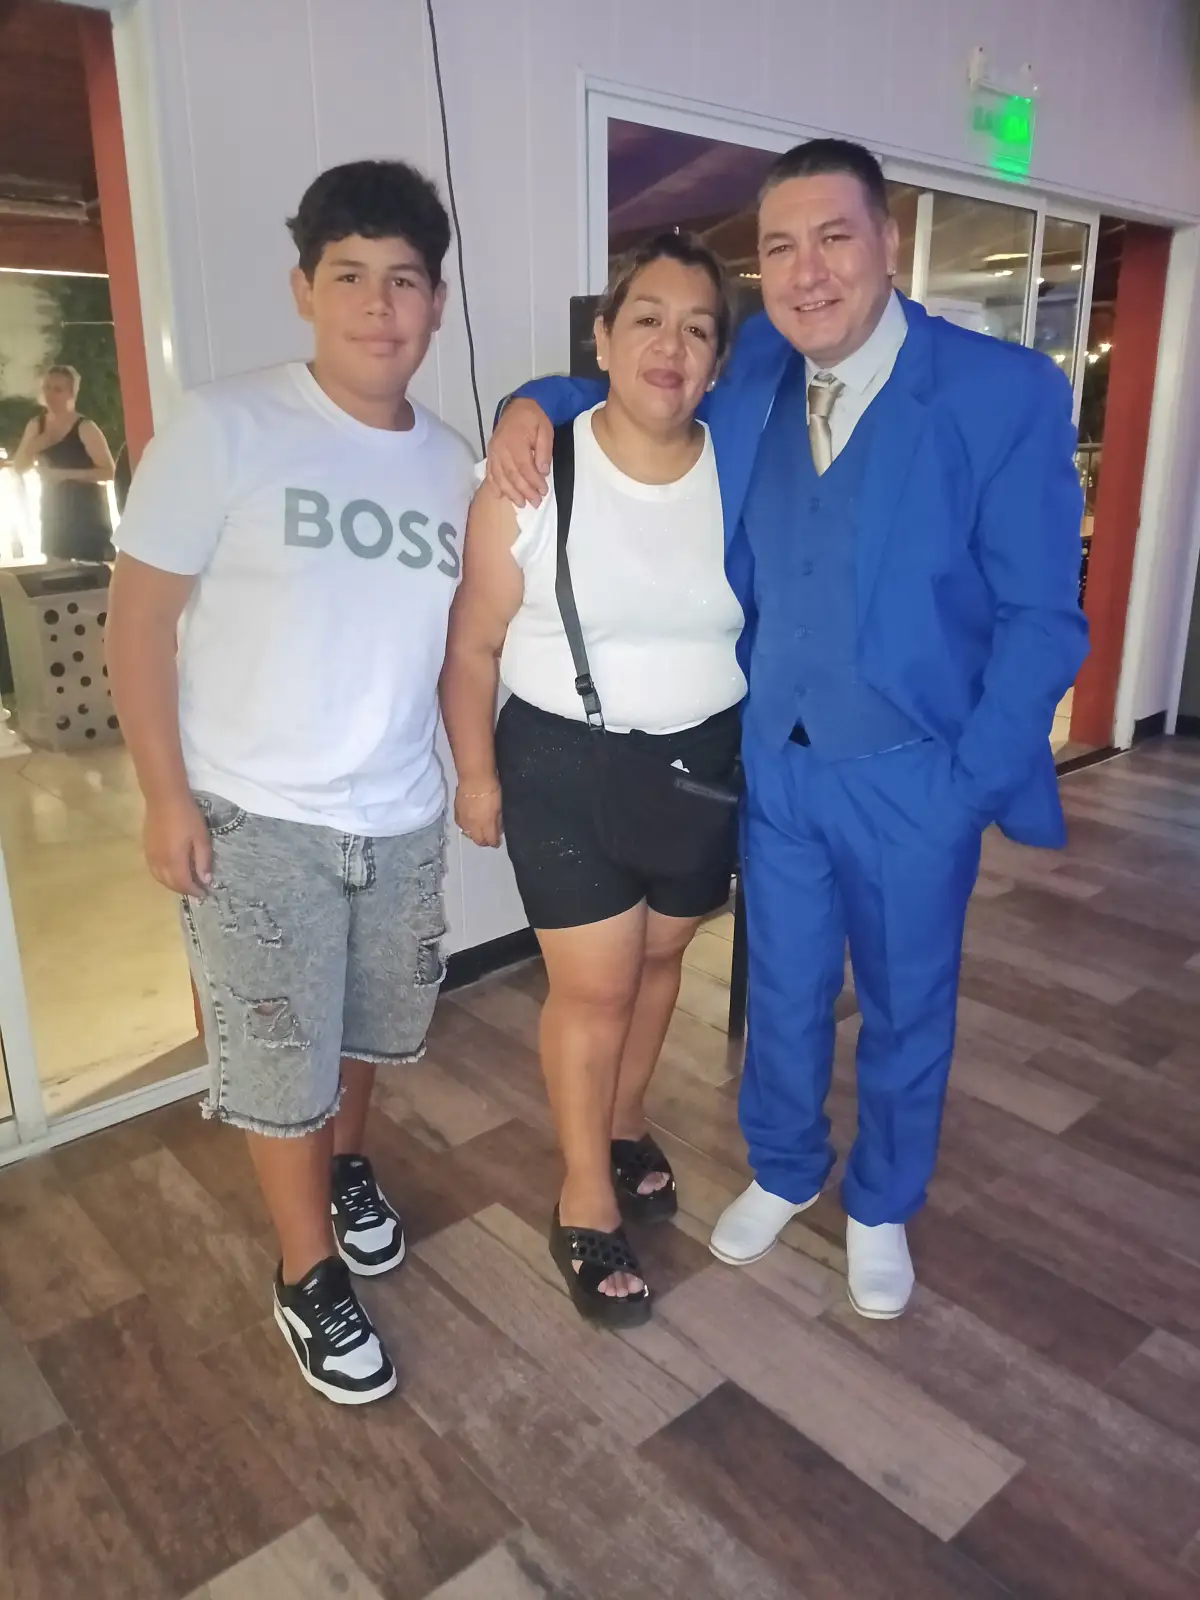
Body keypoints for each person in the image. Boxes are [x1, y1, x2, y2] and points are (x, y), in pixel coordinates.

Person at [486, 139, 1088, 1321]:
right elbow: (624, 381)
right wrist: (526, 404)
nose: (807, 272)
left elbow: (1042, 615)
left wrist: (970, 782)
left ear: (888, 244)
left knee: (907, 1004)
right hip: (773, 765)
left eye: (834, 237)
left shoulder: (1001, 391)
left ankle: (881, 1200)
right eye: (779, 248)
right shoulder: (755, 361)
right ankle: (784, 1163)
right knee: (785, 986)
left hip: (919, 773)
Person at [107, 160, 474, 1403]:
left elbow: (462, 644)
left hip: (400, 812)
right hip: (254, 814)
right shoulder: (224, 426)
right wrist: (165, 795)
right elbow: (137, 623)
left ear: (435, 303)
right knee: (280, 1058)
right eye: (350, 276)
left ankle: (346, 1168)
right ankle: (307, 1270)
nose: (379, 305)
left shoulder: (455, 465)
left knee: (360, 1033)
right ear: (304, 288)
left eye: (405, 281)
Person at [440, 232, 745, 1326]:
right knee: (595, 987)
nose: (672, 345)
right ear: (604, 341)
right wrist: (476, 775)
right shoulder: (534, 472)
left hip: (703, 760)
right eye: (648, 319)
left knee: (662, 960)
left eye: (698, 329)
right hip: (564, 763)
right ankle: (583, 1198)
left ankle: (624, 1124)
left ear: (719, 361)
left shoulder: (743, 467)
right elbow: (472, 642)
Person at [9, 365, 116, 562]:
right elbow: (19, 467)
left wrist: (64, 474)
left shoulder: (85, 427)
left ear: (72, 393)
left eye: (57, 389)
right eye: (46, 388)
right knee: (56, 575)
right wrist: (36, 445)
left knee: (92, 575)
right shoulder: (36, 425)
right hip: (53, 516)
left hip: (87, 516)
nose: (50, 394)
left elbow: (109, 472)